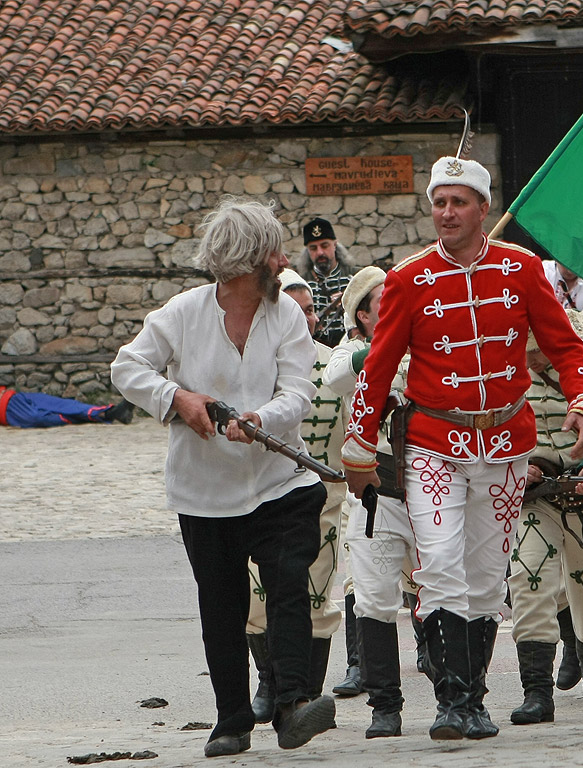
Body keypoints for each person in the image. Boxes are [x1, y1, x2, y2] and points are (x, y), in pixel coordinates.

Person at [341, 155, 583, 741]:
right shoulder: (407, 278)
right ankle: (451, 701)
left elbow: (563, 345)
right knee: (441, 566)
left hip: (508, 443)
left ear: (484, 209)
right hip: (434, 443)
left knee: (486, 576)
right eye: (439, 202)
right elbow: (377, 369)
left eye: (459, 202)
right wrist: (359, 443)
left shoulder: (523, 270)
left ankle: (475, 699)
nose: (447, 212)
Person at [110, 198, 336, 757]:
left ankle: (292, 703)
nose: (285, 261)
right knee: (221, 604)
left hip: (281, 481)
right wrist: (176, 397)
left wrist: (261, 419)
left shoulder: (285, 314)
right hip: (204, 492)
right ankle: (231, 719)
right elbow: (126, 367)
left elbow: (299, 392)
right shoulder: (181, 313)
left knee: (287, 583)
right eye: (274, 251)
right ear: (247, 260)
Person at [508, 308, 583, 722]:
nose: (531, 362)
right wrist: (521, 464)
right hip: (534, 496)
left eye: (537, 352)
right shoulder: (505, 366)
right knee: (528, 579)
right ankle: (536, 691)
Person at [245, 269, 344, 725]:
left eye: (309, 309)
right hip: (262, 493)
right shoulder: (256, 364)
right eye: (296, 309)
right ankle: (269, 679)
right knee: (258, 596)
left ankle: (306, 689)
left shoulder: (333, 365)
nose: (305, 317)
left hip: (322, 496)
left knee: (316, 595)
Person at [323, 264, 417, 739]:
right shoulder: (351, 352)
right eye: (385, 300)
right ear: (362, 316)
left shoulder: (423, 338)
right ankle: (385, 705)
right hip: (376, 488)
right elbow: (336, 377)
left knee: (446, 590)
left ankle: (457, 695)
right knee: (376, 597)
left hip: (433, 483)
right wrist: (382, 349)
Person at [304, 217, 352, 347]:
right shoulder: (302, 282)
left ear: (335, 245)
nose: (320, 252)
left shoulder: (353, 277)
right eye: (313, 248)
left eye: (325, 246)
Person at [0, 387, 133, 427]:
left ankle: (110, 412)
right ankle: (109, 414)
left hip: (14, 397)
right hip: (8, 413)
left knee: (63, 405)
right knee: (42, 418)